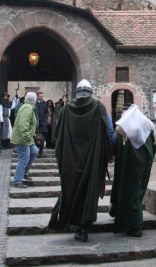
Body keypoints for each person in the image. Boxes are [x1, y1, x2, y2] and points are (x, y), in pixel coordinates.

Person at [48, 79, 111, 242]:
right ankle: (84, 227)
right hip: (93, 159)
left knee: (70, 189)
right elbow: (108, 133)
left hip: (70, 160)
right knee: (89, 192)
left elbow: (57, 136)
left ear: (77, 92)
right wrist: (107, 155)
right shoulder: (99, 107)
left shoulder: (66, 108)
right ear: (91, 92)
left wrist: (62, 157)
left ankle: (71, 221)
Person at [109, 103, 156, 237]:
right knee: (136, 192)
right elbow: (153, 146)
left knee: (127, 192)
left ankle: (134, 225)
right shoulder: (148, 126)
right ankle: (133, 223)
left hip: (127, 167)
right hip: (143, 166)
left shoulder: (122, 128)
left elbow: (115, 145)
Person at [10, 92, 39, 188]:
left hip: (26, 137)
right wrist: (27, 136)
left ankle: (24, 173)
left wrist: (32, 133)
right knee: (24, 158)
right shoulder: (28, 108)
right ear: (33, 100)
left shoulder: (27, 106)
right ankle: (17, 180)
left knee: (34, 151)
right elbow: (23, 125)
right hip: (23, 138)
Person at [35, 91, 48, 156]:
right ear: (37, 96)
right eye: (40, 96)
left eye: (42, 96)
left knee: (42, 136)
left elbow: (46, 113)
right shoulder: (35, 103)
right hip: (36, 122)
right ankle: (35, 150)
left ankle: (41, 151)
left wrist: (45, 120)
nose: (42, 97)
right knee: (35, 136)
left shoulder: (45, 103)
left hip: (43, 123)